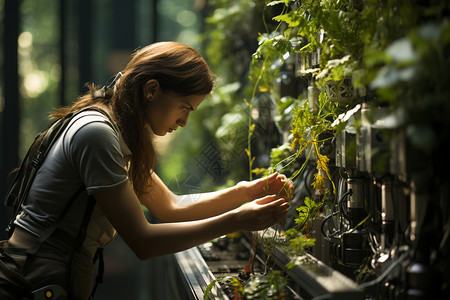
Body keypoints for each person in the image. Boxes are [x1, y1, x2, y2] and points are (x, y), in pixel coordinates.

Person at [0, 41, 293, 299]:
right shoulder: (97, 134)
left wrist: (246, 191)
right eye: (185, 108)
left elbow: (170, 207)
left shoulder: (113, 130)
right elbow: (143, 241)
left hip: (45, 279)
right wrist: (237, 221)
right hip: (29, 281)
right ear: (152, 89)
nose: (184, 122)